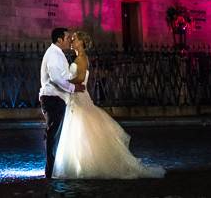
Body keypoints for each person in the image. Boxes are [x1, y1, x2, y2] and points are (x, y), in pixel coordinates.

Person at [53, 31, 166, 179]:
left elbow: (80, 78)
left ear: (81, 43)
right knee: (79, 130)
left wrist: (63, 82)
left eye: (75, 39)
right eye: (72, 39)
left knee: (80, 129)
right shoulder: (80, 58)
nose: (72, 41)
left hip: (79, 97)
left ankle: (84, 165)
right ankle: (78, 164)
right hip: (77, 97)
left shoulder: (81, 58)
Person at [39, 27, 86, 179]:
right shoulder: (53, 54)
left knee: (55, 134)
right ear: (59, 40)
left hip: (57, 98)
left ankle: (53, 168)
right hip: (52, 98)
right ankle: (50, 170)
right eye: (67, 38)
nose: (69, 40)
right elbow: (56, 78)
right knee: (53, 134)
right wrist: (74, 87)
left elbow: (63, 76)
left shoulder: (58, 53)